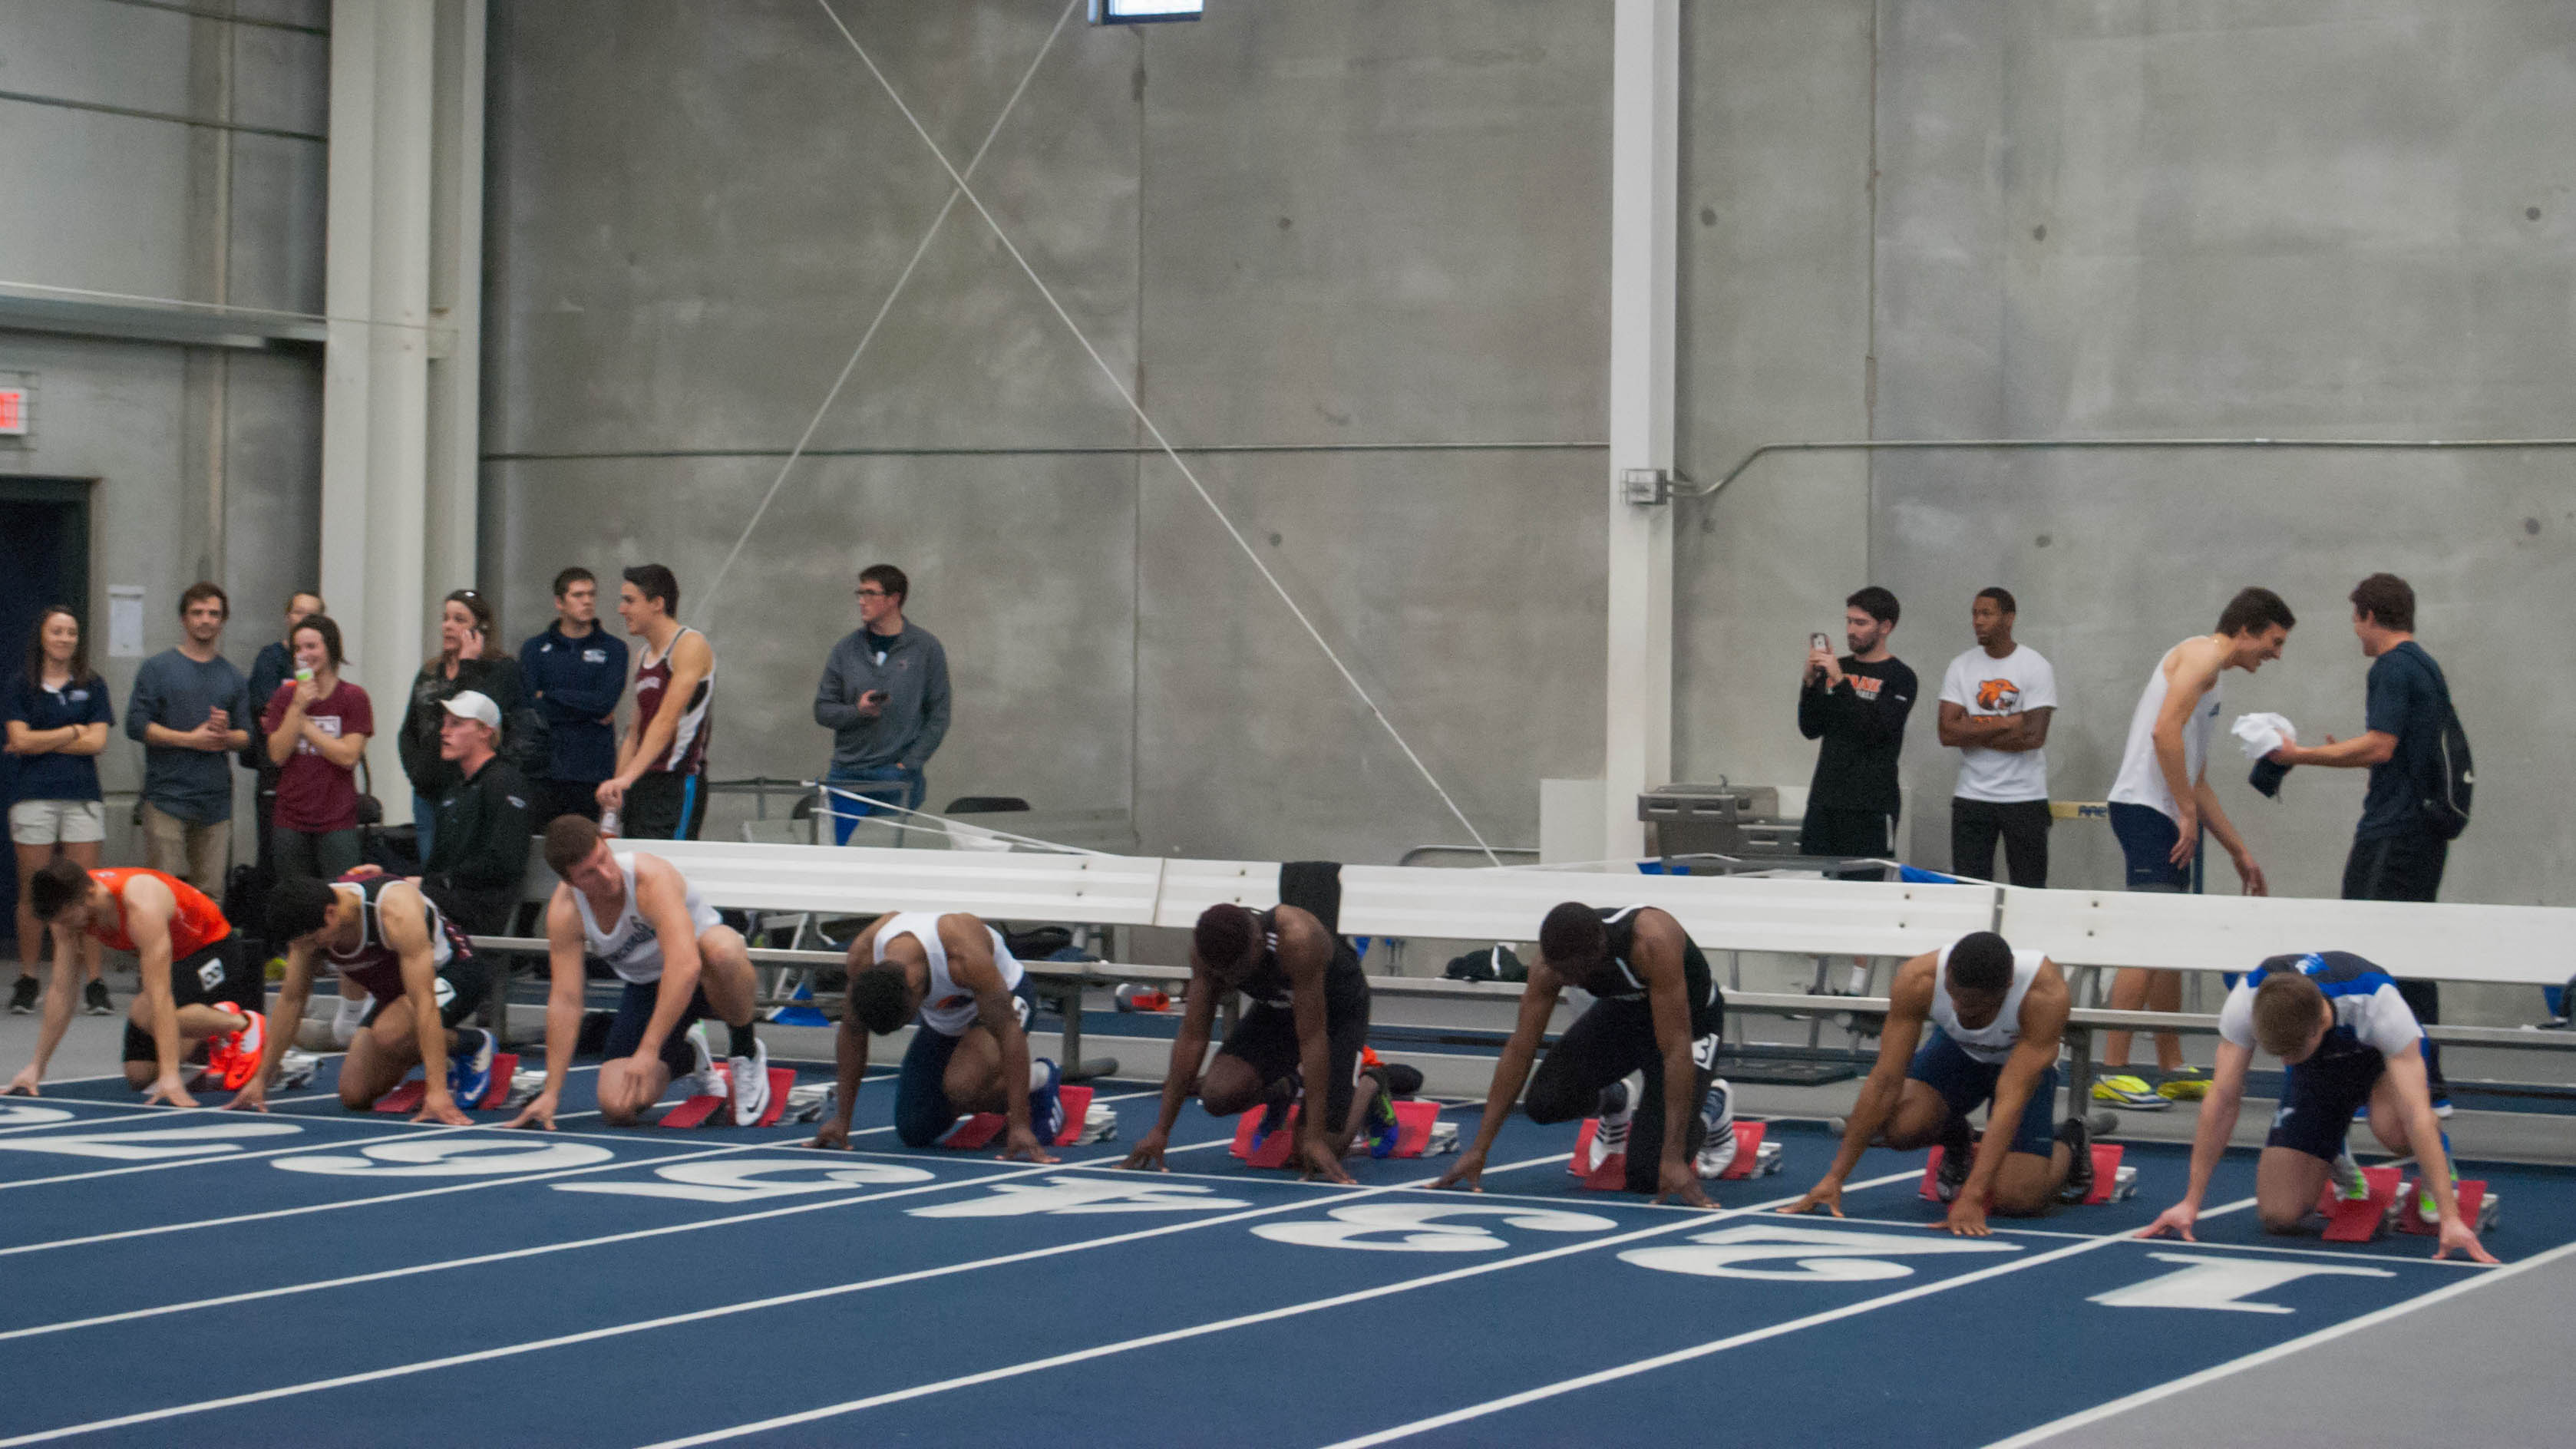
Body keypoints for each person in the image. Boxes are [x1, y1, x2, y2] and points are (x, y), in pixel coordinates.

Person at [2141, 952, 2495, 1263]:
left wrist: (2451, 1218)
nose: (2283, 1061)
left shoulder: (2377, 1003)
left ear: (2321, 1026)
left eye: (2290, 1053)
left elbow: (2417, 1113)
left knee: (2396, 1130)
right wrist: (2190, 1202)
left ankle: (2440, 1160)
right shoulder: (2248, 999)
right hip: (2318, 1072)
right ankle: (2332, 1143)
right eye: (2277, 1054)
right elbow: (2221, 1100)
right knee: (2279, 1215)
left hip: (2382, 1064)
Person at [2266, 575, 2459, 1114]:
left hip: (2392, 835)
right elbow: (2395, 754)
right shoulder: (2425, 667)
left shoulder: (2391, 667)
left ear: (2370, 615)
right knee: (2408, 955)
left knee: (2365, 953)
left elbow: (2380, 746)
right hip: (2418, 835)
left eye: (2356, 619)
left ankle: (2389, 1084)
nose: (2355, 631)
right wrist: (2348, 754)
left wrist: (2299, 755)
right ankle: (2426, 1084)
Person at [2095, 587, 2290, 1109]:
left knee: (2168, 941)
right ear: (2246, 629)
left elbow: (2197, 781)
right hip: (2145, 809)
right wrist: (2183, 811)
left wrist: (2238, 851)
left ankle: (2171, 1064)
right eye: (2274, 642)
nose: (2275, 654)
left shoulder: (2213, 677)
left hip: (2162, 812)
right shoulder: (2202, 655)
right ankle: (2111, 1070)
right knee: (2147, 938)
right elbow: (2164, 733)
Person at [1783, 932, 2091, 1236]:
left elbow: (2010, 1101)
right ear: (1948, 974)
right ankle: (1958, 1139)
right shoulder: (1919, 978)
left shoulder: (2043, 995)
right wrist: (1835, 1177)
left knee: (2017, 1197)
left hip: (2020, 1062)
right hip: (1959, 1052)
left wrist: (1972, 1197)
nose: (1961, 1010)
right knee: (1901, 1126)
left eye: (1976, 1006)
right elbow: (1885, 1080)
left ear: (2008, 987)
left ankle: (2070, 1143)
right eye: (1954, 997)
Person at [1436, 903, 1724, 1205]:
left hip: (1691, 1025)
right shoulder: (1550, 967)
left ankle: (1711, 1106)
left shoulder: (1652, 941)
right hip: (1626, 1017)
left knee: (1650, 1176)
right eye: (1560, 972)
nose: (1568, 981)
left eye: (1575, 973)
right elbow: (1521, 1048)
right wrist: (1478, 1148)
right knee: (1545, 1102)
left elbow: (1676, 1052)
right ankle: (1615, 1099)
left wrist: (1674, 1157)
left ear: (1599, 950)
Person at [506, 815, 767, 1129]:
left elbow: (685, 966)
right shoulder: (566, 911)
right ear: (572, 883)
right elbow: (566, 999)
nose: (606, 874)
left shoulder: (649, 878)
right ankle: (686, 1055)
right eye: (589, 873)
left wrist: (649, 1049)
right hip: (648, 988)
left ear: (607, 845)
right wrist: (551, 1092)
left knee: (722, 949)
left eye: (603, 858)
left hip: (704, 971)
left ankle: (745, 1051)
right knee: (618, 1106)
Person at [1121, 903, 1388, 1183]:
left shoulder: (1297, 940)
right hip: (1277, 1010)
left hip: (1337, 1014)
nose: (1229, 980)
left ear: (1258, 943)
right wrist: (1161, 1130)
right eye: (1222, 973)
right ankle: (1284, 1088)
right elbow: (1193, 1036)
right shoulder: (1206, 953)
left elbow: (1312, 1039)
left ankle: (1371, 1083)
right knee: (1217, 1095)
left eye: (1236, 971)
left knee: (1311, 1153)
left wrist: (1314, 1137)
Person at [807, 907, 1064, 1161]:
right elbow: (853, 1032)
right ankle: (982, 1081)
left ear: (914, 990)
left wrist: (1019, 1125)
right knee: (916, 1128)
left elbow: (1008, 1031)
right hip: (946, 1015)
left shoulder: (963, 955)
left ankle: (1040, 1077)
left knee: (963, 1087)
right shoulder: (865, 958)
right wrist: (841, 1119)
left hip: (1003, 1000)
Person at [243, 872, 496, 1124]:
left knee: (391, 1033)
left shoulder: (394, 910)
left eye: (313, 940)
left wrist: (437, 1092)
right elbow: (291, 1001)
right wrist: (260, 1080)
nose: (310, 950)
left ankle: (471, 1044)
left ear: (330, 914)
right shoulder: (308, 930)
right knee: (355, 1094)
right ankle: (438, 1054)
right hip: (399, 993)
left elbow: (424, 1001)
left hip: (456, 973)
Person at [3, 860, 262, 1105]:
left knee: (146, 1013)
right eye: (59, 922)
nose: (66, 927)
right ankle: (204, 1035)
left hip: (214, 949)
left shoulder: (140, 903)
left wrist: (170, 1076)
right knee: (139, 1074)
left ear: (88, 895)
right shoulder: (65, 916)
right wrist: (36, 1066)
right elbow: (62, 991)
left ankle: (241, 1024)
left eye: (68, 918)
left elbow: (160, 993)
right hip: (176, 960)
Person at [6, 607, 112, 1018]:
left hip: (82, 796)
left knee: (87, 889)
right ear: (43, 636)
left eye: (71, 632)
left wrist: (40, 740)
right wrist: (72, 731)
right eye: (57, 631)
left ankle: (95, 982)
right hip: (33, 796)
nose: (65, 638)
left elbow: (97, 742)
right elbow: (19, 740)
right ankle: (28, 978)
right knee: (34, 890)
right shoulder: (22, 685)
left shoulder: (93, 684)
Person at [126, 582, 252, 895]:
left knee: (210, 895)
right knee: (161, 893)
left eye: (213, 613)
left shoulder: (233, 676)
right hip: (166, 797)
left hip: (215, 801)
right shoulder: (157, 668)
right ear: (184, 619)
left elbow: (247, 736)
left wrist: (224, 735)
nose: (206, 620)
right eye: (198, 612)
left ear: (223, 621)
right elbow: (136, 725)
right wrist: (189, 739)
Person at [813, 564, 950, 844]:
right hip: (848, 775)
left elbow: (939, 713)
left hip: (896, 777)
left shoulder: (925, 648)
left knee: (889, 857)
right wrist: (857, 711)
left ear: (893, 599)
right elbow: (823, 710)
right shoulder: (845, 650)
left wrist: (909, 763)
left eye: (870, 593)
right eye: (860, 593)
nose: (861, 601)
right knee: (841, 857)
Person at [1937, 588, 2057, 886]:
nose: (1978, 621)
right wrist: (2009, 722)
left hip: (2025, 797)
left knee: (2028, 889)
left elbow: (2034, 737)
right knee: (1970, 889)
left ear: (2009, 618)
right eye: (1975, 614)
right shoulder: (1960, 666)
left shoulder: (2035, 665)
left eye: (1987, 614)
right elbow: (1947, 732)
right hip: (1972, 796)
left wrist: (1971, 729)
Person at [398, 588, 523, 863]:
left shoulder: (500, 669)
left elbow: (479, 713)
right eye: (445, 618)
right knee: (431, 869)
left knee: (462, 868)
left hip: (472, 790)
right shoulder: (430, 672)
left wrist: (468, 665)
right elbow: (409, 730)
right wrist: (417, 772)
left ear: (480, 628)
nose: (448, 626)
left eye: (459, 619)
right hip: (428, 790)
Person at [1798, 586, 1917, 866]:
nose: (1851, 630)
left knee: (1865, 882)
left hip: (1871, 805)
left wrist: (1841, 683)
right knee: (1813, 880)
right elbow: (1810, 728)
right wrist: (1810, 683)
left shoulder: (1900, 677)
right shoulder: (1837, 668)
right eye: (1849, 621)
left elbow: (1876, 731)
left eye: (1861, 623)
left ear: (1885, 627)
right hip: (1825, 800)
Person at [597, 564, 712, 841]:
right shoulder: (643, 657)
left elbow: (666, 720)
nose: (621, 609)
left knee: (666, 863)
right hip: (642, 782)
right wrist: (616, 794)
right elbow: (634, 733)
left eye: (630, 601)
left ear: (657, 604)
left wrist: (627, 778)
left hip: (677, 781)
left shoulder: (690, 645)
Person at [259, 614, 372, 884]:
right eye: (298, 648)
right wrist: (298, 706)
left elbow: (348, 756)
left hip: (337, 818)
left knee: (344, 894)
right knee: (295, 897)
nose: (305, 654)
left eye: (312, 646)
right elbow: (277, 755)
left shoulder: (353, 697)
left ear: (330, 648)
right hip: (290, 817)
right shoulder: (285, 697)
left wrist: (306, 726)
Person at [518, 566, 627, 828]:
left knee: (584, 842)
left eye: (591, 594)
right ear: (560, 602)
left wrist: (550, 695)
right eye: (578, 595)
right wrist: (586, 708)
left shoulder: (614, 649)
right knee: (541, 844)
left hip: (591, 770)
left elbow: (604, 703)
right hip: (544, 770)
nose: (587, 601)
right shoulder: (535, 649)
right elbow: (530, 706)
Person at [416, 691, 533, 936]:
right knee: (378, 889)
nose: (444, 732)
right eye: (444, 723)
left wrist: (438, 882)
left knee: (393, 901)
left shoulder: (505, 782)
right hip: (447, 897)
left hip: (480, 907)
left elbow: (504, 861)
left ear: (485, 731)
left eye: (456, 724)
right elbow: (438, 861)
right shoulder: (455, 789)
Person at [243, 589, 325, 874]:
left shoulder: (324, 664)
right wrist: (296, 709)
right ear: (288, 617)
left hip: (314, 771)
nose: (304, 619)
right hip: (276, 770)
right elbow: (270, 712)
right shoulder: (271, 658)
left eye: (312, 614)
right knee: (273, 854)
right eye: (299, 612)